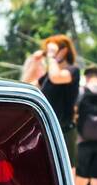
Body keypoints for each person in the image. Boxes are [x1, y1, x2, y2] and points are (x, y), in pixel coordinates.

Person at [21, 34, 80, 175]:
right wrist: (35, 62)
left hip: (65, 130)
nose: (49, 54)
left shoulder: (73, 70)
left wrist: (51, 56)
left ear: (64, 51)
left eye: (52, 50)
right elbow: (25, 85)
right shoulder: (48, 75)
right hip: (47, 130)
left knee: (66, 175)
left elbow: (57, 78)